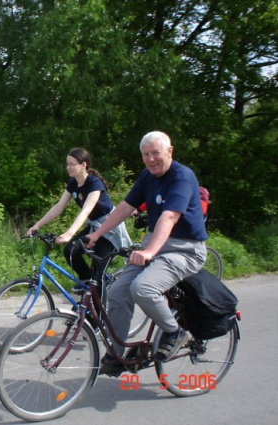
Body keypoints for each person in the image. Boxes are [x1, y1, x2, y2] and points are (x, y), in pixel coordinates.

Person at [85, 131, 208, 376]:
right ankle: (118, 353)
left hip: (185, 249)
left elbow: (169, 216)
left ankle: (175, 331)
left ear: (170, 151)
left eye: (156, 153)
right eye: (146, 155)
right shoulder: (147, 176)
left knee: (143, 288)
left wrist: (150, 250)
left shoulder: (182, 177)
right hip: (156, 244)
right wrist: (97, 234)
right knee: (117, 291)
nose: (151, 159)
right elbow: (125, 207)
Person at [28, 148, 132, 295]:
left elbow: (86, 211)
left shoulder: (95, 184)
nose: (68, 167)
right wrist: (37, 225)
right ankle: (86, 281)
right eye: (67, 164)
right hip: (94, 226)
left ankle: (100, 313)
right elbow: (58, 207)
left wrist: (70, 233)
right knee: (70, 250)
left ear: (83, 165)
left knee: (98, 273)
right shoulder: (73, 183)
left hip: (110, 228)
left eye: (72, 164)